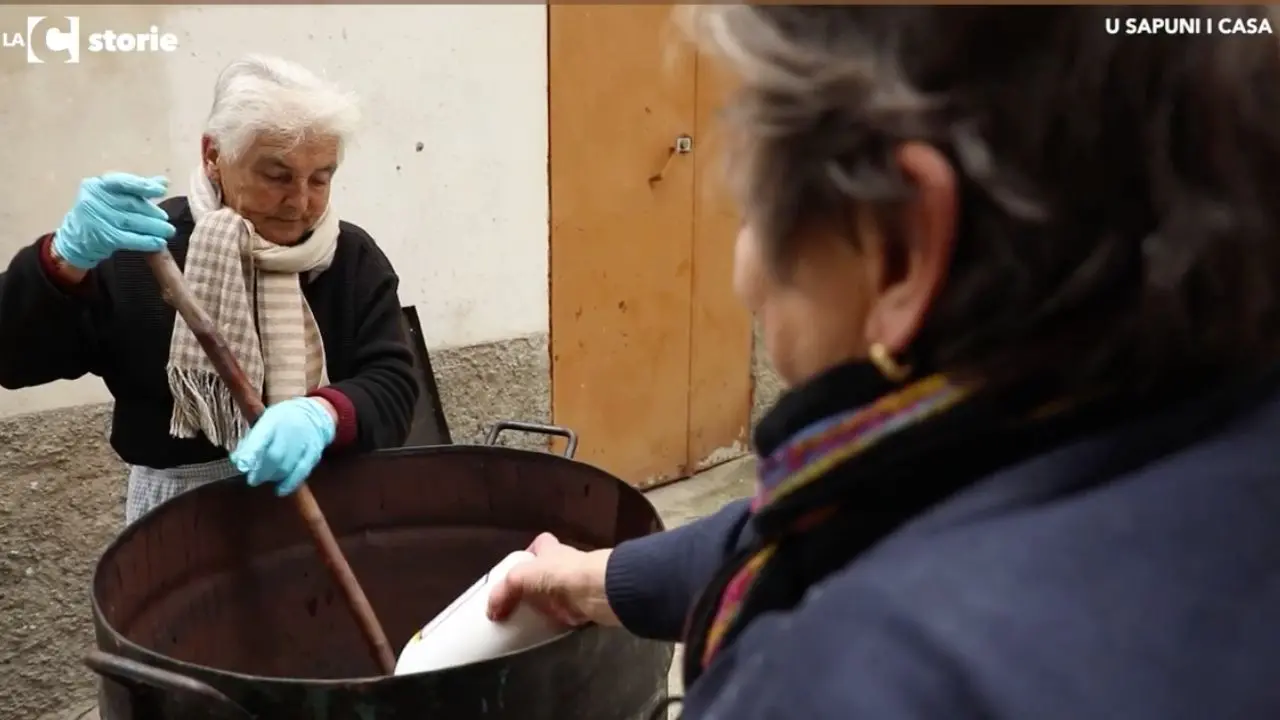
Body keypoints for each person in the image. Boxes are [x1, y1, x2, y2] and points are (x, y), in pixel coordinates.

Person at [488, 6, 1280, 719]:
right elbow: (853, 513)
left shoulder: (858, 678)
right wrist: (590, 580)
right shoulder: (1184, 413)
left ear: (899, 248)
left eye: (753, 207)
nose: (744, 277)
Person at [0, 54, 419, 525]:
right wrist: (63, 260)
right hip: (179, 527)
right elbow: (12, 360)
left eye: (320, 177)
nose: (300, 202)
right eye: (277, 176)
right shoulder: (143, 254)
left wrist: (324, 417)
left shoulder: (349, 258)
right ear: (213, 156)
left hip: (330, 507)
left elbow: (394, 385)